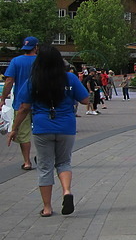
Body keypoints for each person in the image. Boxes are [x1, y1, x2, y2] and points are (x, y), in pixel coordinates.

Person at [6, 44, 89, 217]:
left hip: (43, 126)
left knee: (45, 167)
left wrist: (14, 129)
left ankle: (47, 207)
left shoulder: (34, 80)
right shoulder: (70, 79)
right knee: (64, 162)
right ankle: (66, 191)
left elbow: (24, 107)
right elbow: (85, 99)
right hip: (66, 127)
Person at [0, 36, 39, 170]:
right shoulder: (41, 61)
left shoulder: (16, 61)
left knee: (23, 133)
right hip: (40, 102)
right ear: (36, 47)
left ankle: (27, 161)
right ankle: (42, 157)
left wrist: (3, 98)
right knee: (43, 131)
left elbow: (9, 81)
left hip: (21, 102)